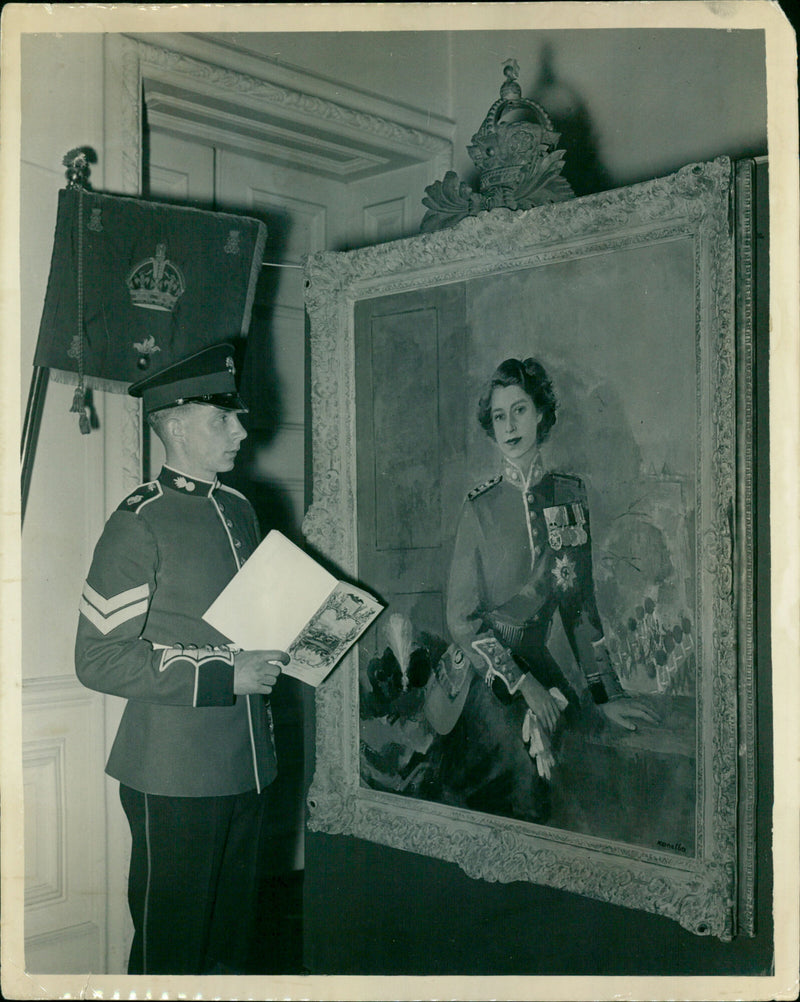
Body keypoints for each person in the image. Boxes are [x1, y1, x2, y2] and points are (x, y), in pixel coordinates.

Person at [74, 343, 290, 975]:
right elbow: (98, 659)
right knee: (172, 956)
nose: (242, 431)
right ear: (174, 423)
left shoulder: (239, 509)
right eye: (223, 418)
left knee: (231, 951)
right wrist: (229, 673)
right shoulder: (138, 521)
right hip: (173, 774)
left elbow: (245, 622)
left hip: (248, 765)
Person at [437, 357, 658, 823]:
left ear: (540, 414)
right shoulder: (479, 508)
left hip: (543, 666)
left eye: (520, 410)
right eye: (499, 416)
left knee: (582, 763)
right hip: (487, 675)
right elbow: (461, 619)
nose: (510, 425)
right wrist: (521, 682)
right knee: (521, 777)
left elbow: (579, 609)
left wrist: (607, 695)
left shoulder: (568, 495)